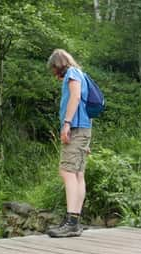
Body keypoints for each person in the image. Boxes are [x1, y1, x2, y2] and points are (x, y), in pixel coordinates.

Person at [46, 49, 92, 238]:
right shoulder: (82, 74)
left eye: (54, 69)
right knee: (78, 174)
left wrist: (66, 124)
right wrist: (87, 139)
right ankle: (74, 220)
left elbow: (75, 98)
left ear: (58, 65)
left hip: (75, 129)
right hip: (83, 128)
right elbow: (87, 106)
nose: (55, 74)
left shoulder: (72, 74)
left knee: (67, 172)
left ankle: (71, 222)